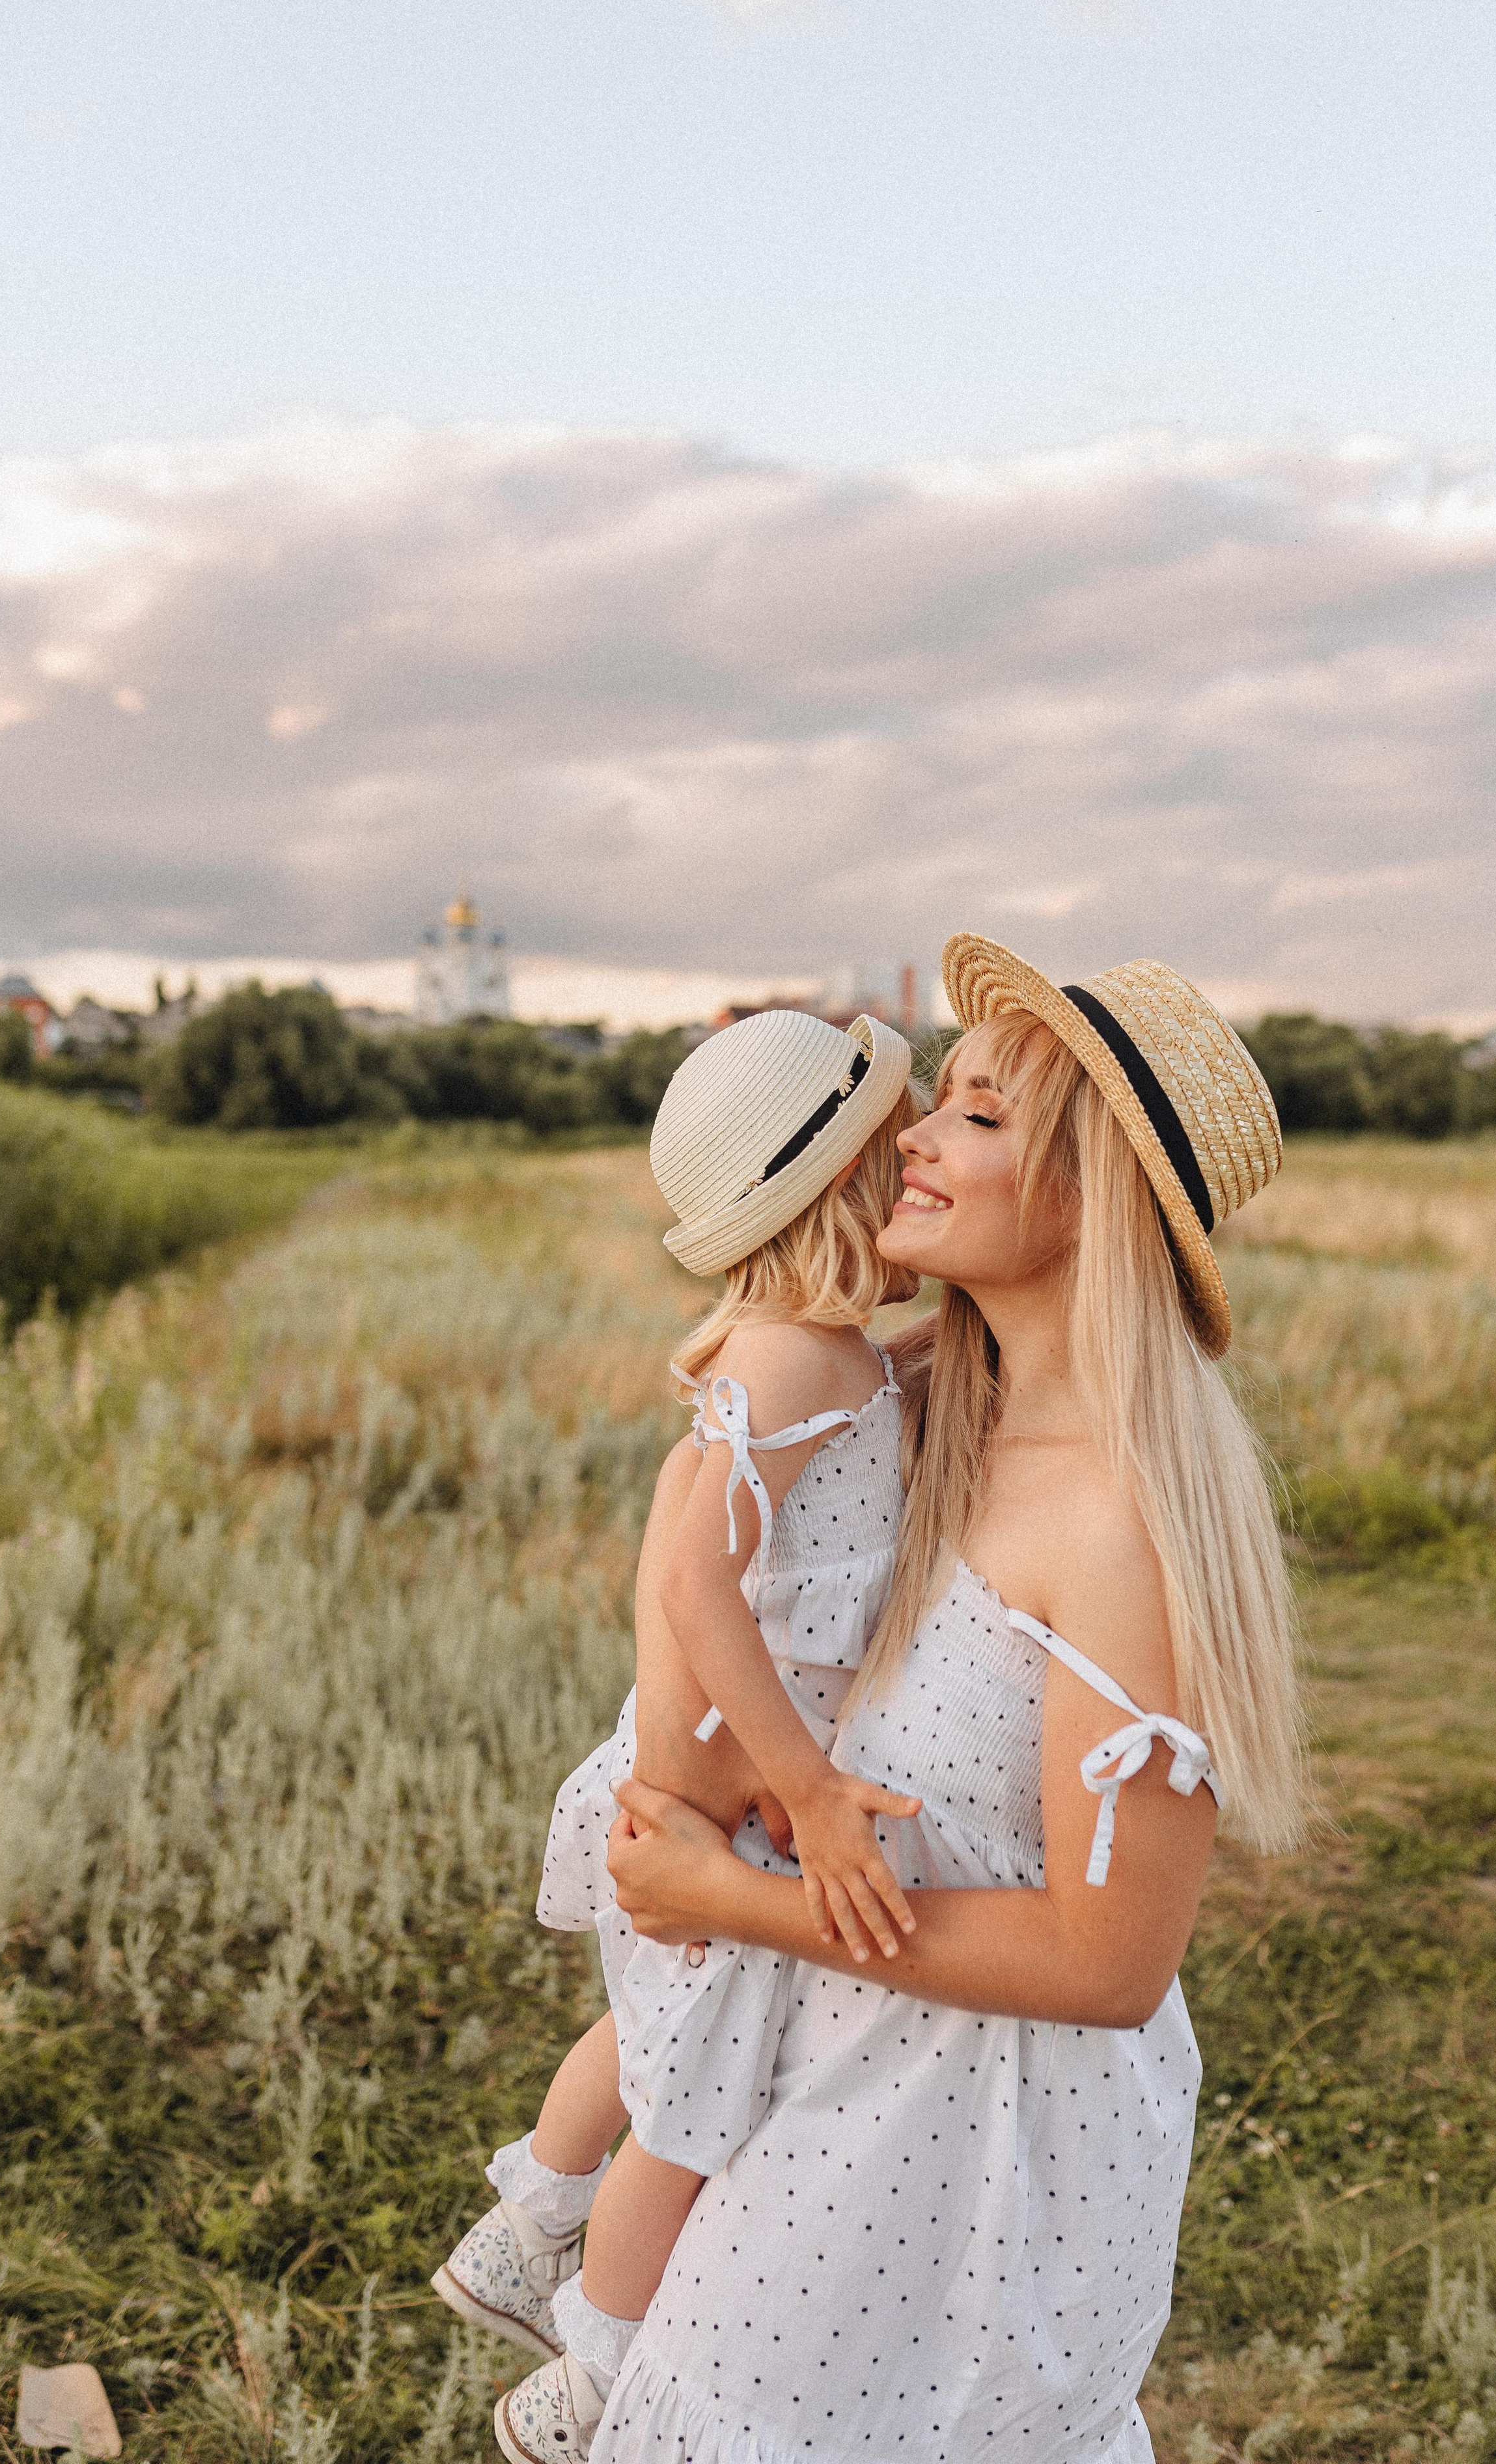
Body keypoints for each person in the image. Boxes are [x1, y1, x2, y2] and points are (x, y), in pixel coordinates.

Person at [598, 937, 1306, 2462]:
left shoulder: (1119, 1527)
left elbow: (1106, 1960)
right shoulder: (904, 1414)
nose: (909, 1137)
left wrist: (725, 1893)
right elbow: (697, 1551)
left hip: (977, 2178)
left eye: (977, 1117)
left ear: (1086, 1194)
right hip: (831, 2095)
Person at [426, 1006, 925, 2462]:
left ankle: (529, 2220)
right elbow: (697, 1579)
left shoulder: (833, 1352)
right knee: (687, 2112)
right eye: (903, 1153)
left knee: (657, 2041)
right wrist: (805, 1784)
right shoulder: (783, 1365)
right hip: (725, 1787)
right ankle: (590, 2365)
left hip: (707, 1775)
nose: (921, 1175)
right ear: (846, 1187)